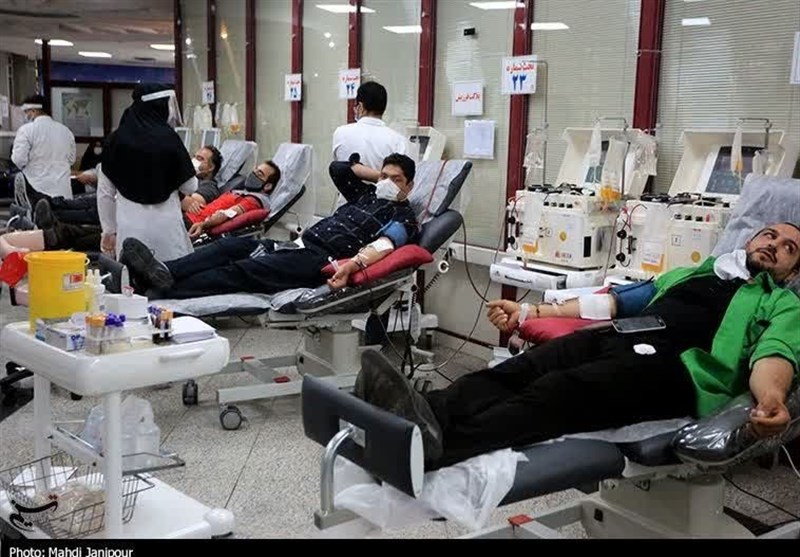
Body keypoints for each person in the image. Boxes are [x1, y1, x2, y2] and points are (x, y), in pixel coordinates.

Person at [355, 223, 800, 469]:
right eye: (769, 235)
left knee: (557, 391)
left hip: (677, 371)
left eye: (789, 248)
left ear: (793, 271)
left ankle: (435, 451)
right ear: (750, 239)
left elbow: (774, 354)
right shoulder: (695, 272)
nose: (774, 246)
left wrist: (772, 398)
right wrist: (529, 312)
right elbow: (615, 301)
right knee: (520, 369)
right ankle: (416, 413)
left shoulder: (782, 303)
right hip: (620, 336)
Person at [118, 154, 418, 299]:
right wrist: (378, 178)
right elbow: (338, 168)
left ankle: (162, 291)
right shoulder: (365, 194)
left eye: (397, 180)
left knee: (242, 270)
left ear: (410, 186)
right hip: (297, 245)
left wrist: (354, 264)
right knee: (228, 246)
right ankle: (164, 271)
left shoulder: (403, 217)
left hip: (320, 260)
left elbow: (385, 244)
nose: (387, 183)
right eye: (384, 177)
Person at [98, 84, 198, 261]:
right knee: (170, 273)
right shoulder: (170, 139)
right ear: (159, 106)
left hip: (129, 229)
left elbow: (105, 194)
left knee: (132, 274)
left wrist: (109, 231)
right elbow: (190, 187)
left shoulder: (116, 140)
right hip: (167, 229)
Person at [185, 160, 280, 239]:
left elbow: (227, 214)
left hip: (192, 224)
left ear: (268, 186)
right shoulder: (241, 192)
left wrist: (202, 225)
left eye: (259, 174)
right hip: (189, 216)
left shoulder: (253, 201)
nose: (253, 174)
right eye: (255, 170)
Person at [11, 94, 76, 201]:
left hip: (37, 192)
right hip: (63, 193)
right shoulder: (66, 131)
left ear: (34, 111)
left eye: (26, 112)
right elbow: (71, 160)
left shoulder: (26, 130)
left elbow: (19, 160)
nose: (25, 116)